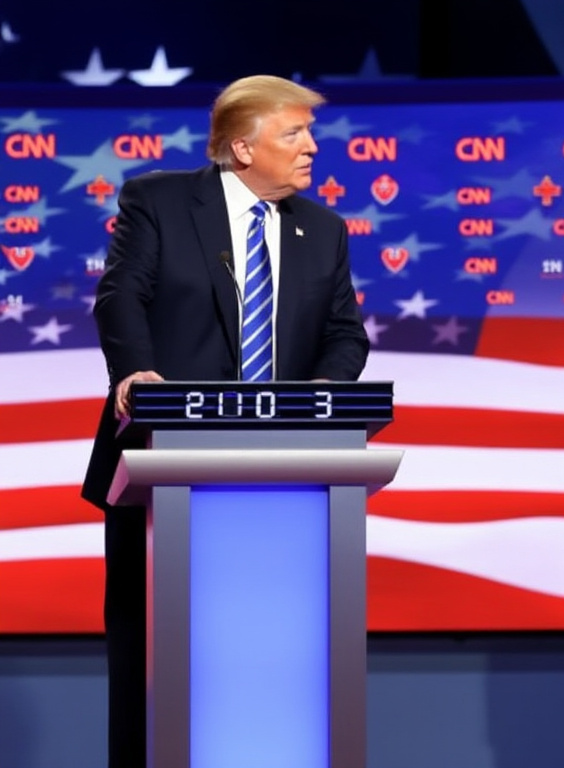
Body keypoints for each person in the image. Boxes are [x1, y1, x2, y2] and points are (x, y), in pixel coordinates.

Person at [80, 74, 370, 768]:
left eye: (309, 132)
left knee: (275, 651)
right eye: (293, 134)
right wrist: (135, 374)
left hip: (286, 474)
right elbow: (121, 296)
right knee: (154, 660)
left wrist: (323, 395)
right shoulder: (160, 201)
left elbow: (345, 332)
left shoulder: (321, 228)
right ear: (243, 146)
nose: (311, 148)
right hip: (160, 466)